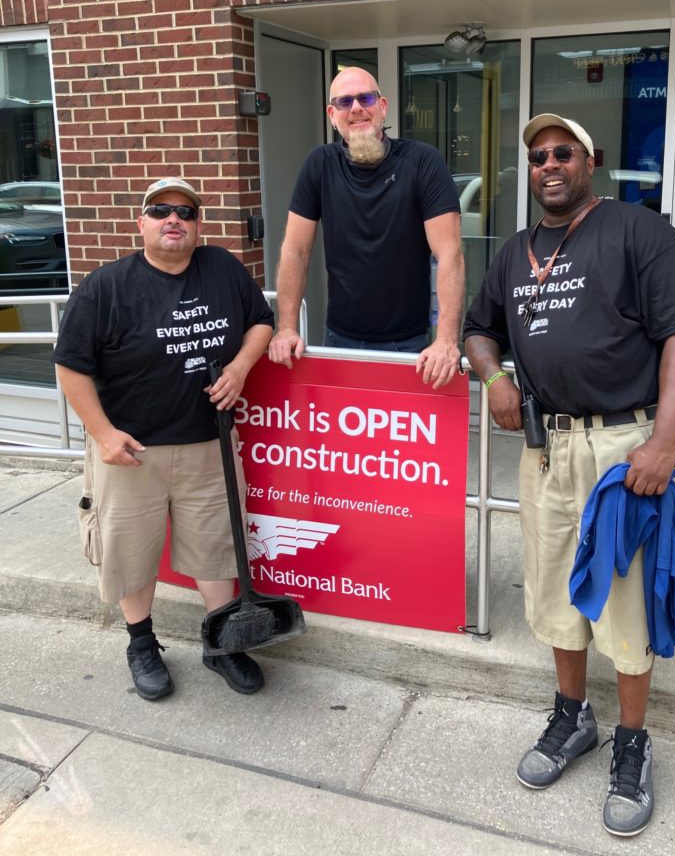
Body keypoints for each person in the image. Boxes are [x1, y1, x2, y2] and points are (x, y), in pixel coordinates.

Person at [463, 114, 675, 837]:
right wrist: (493, 377)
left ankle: (632, 743)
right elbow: (479, 329)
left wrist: (664, 441)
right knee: (553, 590)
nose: (549, 165)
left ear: (589, 161)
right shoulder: (512, 253)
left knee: (626, 599)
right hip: (546, 451)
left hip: (622, 449)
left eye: (562, 152)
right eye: (537, 156)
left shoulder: (639, 233)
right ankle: (574, 720)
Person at [53, 177, 275, 702]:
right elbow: (70, 367)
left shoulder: (222, 268)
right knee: (130, 552)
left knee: (217, 548)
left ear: (198, 227)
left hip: (208, 444)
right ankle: (142, 645)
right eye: (160, 210)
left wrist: (242, 366)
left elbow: (262, 322)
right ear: (142, 224)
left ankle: (222, 643)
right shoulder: (105, 287)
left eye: (185, 212)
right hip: (131, 452)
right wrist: (103, 435)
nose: (173, 219)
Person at [268, 67, 465, 388]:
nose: (356, 107)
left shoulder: (422, 161)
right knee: (343, 437)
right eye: (344, 102)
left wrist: (445, 340)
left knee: (404, 438)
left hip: (411, 347)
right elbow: (295, 250)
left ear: (383, 106)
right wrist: (287, 328)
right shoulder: (319, 165)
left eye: (366, 97)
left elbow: (449, 255)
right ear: (332, 115)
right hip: (339, 341)